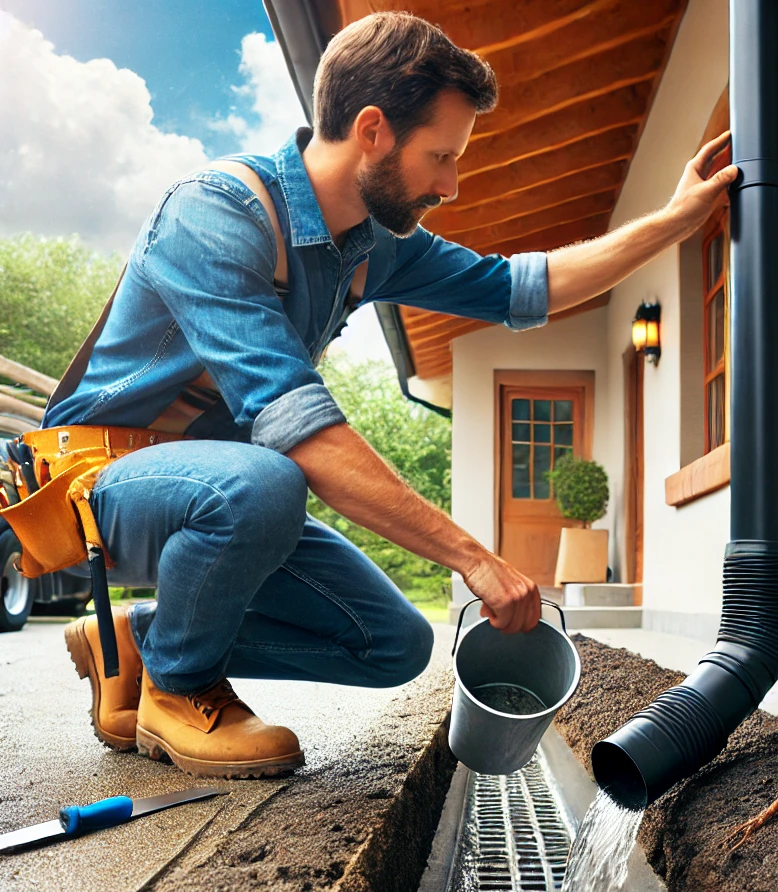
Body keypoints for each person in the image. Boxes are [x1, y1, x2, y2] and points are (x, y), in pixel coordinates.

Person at [44, 12, 737, 778]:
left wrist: (676, 222)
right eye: (440, 156)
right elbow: (299, 431)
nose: (452, 184)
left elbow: (523, 286)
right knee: (273, 477)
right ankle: (177, 691)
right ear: (372, 130)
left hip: (221, 495)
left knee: (392, 643)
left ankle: (141, 642)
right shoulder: (216, 216)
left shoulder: (372, 246)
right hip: (103, 486)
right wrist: (474, 558)